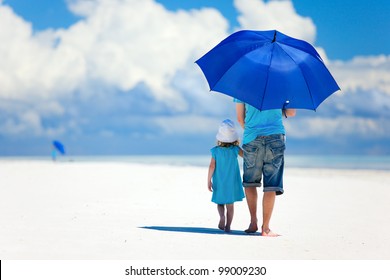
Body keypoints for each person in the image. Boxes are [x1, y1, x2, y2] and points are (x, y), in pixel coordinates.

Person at [235, 100, 296, 237]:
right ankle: (266, 228)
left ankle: (253, 222)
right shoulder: (282, 86)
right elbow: (291, 113)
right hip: (275, 137)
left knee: (250, 182)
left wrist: (253, 130)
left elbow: (240, 119)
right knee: (271, 184)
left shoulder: (243, 86)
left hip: (252, 138)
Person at [207, 119, 245, 233]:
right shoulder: (235, 149)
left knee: (220, 202)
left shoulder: (215, 151)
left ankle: (222, 217)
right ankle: (228, 226)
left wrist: (208, 180)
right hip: (232, 181)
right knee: (230, 204)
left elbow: (211, 166)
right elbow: (246, 156)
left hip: (219, 180)